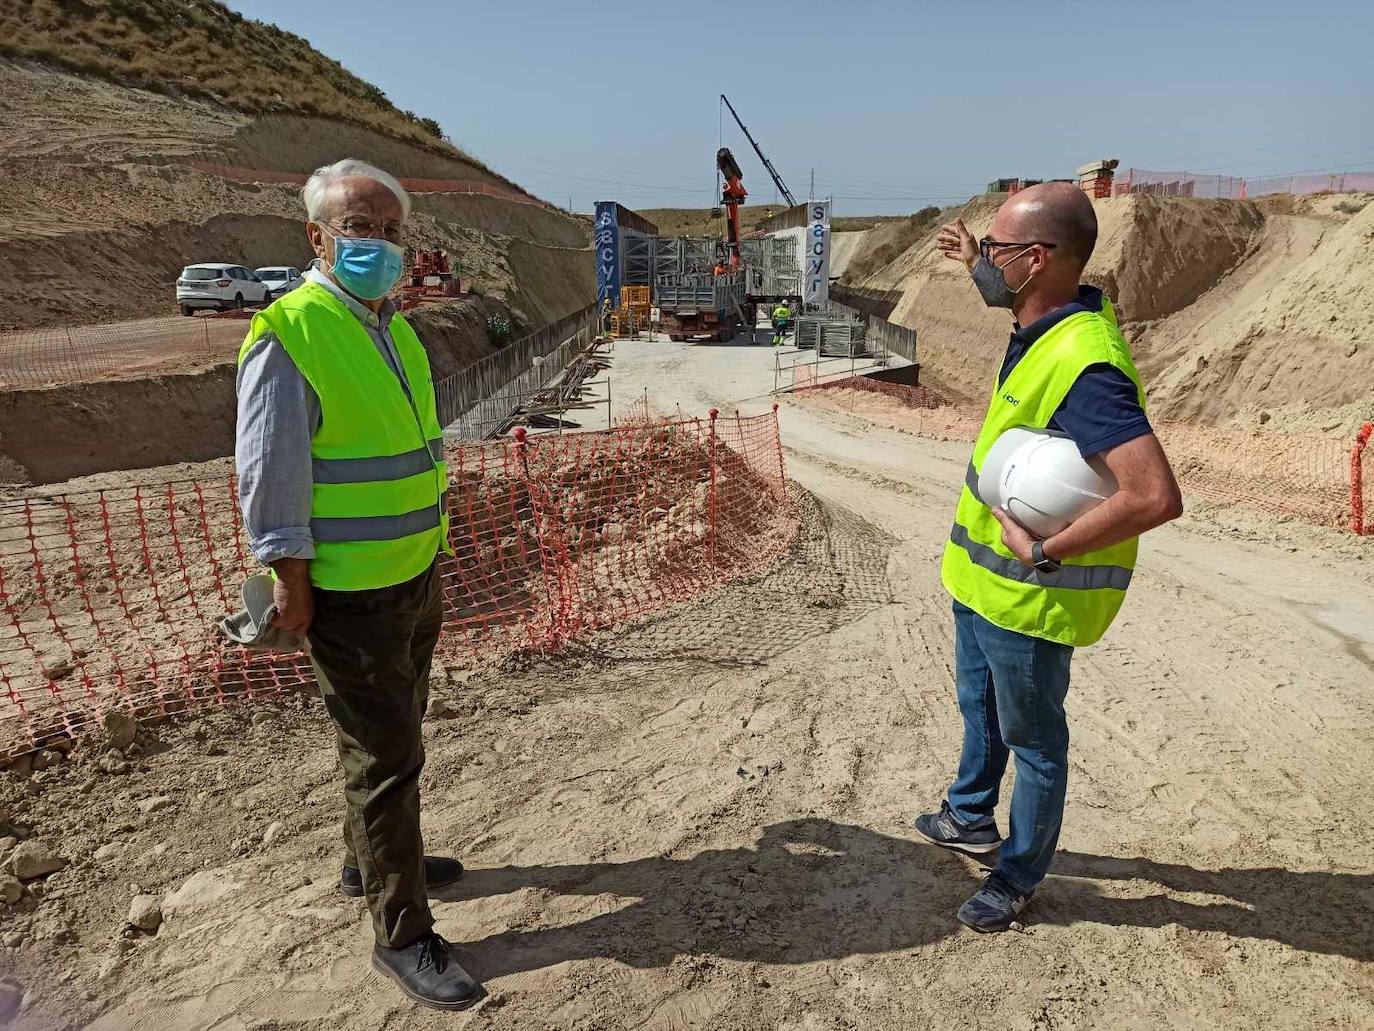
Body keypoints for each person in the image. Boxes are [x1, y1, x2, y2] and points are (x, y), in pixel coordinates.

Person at [235, 158, 484, 1010]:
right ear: (318, 236)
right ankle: (403, 933)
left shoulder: (393, 327)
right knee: (387, 756)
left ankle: (369, 862)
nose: (377, 244)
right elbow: (271, 475)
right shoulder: (292, 330)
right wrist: (288, 581)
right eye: (359, 228)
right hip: (346, 591)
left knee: (396, 731)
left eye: (389, 229)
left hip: (412, 574)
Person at [915, 183, 1182, 933]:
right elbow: (1006, 296)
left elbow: (1155, 494)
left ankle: (1018, 872)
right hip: (980, 582)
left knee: (1034, 741)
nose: (988, 263)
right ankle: (970, 815)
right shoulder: (1044, 313)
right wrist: (976, 261)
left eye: (998, 250)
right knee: (981, 708)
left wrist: (1045, 550)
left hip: (1027, 596)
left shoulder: (1089, 365)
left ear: (1036, 261)